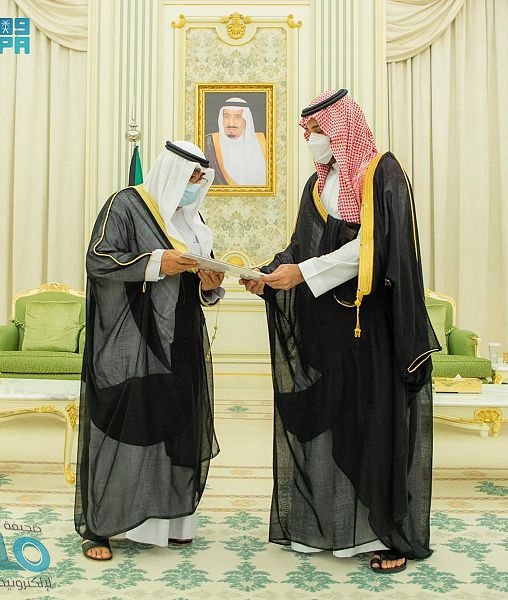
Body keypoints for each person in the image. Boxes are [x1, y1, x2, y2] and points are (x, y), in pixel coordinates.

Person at [241, 89, 439, 573]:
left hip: (370, 331)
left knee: (371, 428)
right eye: (308, 132)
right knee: (332, 423)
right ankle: (329, 529)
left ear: (342, 127)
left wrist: (304, 273)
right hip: (328, 330)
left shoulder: (381, 173)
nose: (312, 139)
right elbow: (300, 247)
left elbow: (376, 244)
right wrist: (267, 275)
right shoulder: (318, 184)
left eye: (319, 130)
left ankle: (386, 534)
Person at [74, 140, 224, 561]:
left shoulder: (192, 221)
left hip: (182, 340)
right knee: (127, 426)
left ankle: (172, 521)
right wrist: (157, 262)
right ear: (172, 172)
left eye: (202, 178)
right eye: (192, 177)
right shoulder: (126, 204)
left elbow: (204, 282)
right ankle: (101, 527)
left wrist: (211, 287)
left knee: (176, 425)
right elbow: (99, 259)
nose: (196, 185)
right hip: (134, 340)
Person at [204, 97, 267, 185]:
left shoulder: (264, 142)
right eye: (226, 117)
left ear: (246, 120)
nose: (231, 123)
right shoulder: (208, 144)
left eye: (237, 117)